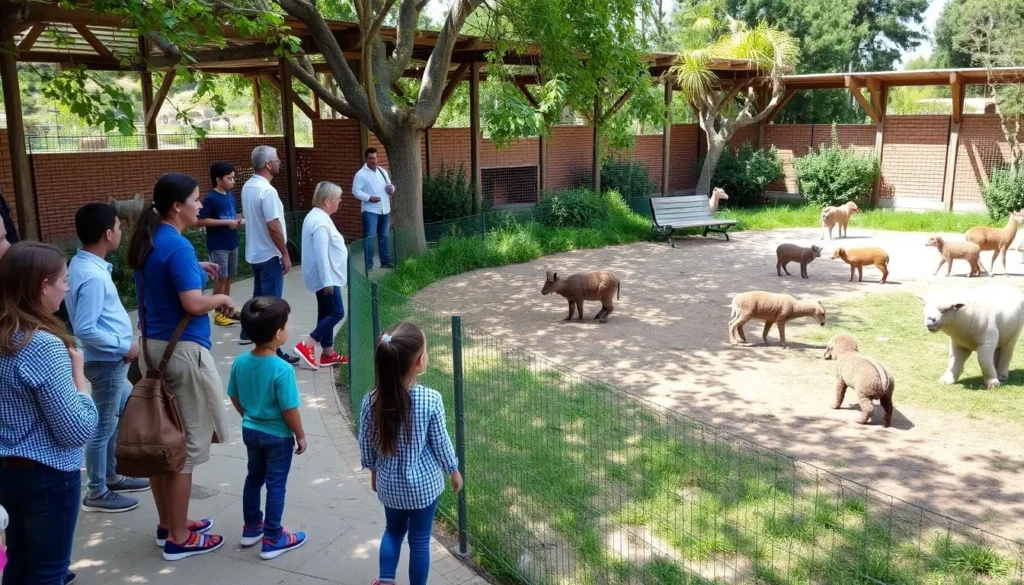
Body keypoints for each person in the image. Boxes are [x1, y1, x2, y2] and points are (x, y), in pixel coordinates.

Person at [126, 172, 233, 561]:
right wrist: (219, 300)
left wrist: (195, 268)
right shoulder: (178, 245)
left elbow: (164, 288)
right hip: (182, 352)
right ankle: (179, 539)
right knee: (183, 448)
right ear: (177, 206)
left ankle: (168, 523)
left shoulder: (153, 240)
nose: (200, 205)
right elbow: (191, 303)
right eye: (196, 199)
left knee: (161, 441)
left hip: (152, 349)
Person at [0, 241, 99, 585]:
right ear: (43, 286)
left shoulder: (5, 335)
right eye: (64, 280)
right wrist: (80, 379)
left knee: (18, 562)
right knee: (48, 572)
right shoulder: (41, 345)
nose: (67, 288)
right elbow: (76, 430)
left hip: (7, 471)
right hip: (48, 475)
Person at [358, 321, 463, 585]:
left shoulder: (371, 401)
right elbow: (441, 442)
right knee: (419, 542)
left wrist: (372, 470)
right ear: (419, 362)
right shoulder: (430, 399)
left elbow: (366, 441)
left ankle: (385, 581)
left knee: (392, 531)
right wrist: (453, 469)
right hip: (423, 488)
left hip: (389, 484)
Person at [66, 203, 150, 514]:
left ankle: (112, 476)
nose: (121, 230)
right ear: (107, 233)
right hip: (108, 362)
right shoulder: (92, 275)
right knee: (101, 426)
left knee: (120, 413)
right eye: (118, 225)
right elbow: (85, 327)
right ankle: (97, 491)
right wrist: (122, 346)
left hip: (110, 361)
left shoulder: (85, 265)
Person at [227, 297, 308, 560]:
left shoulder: (240, 362)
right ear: (278, 333)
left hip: (251, 431)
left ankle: (252, 527)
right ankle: (273, 537)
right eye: (286, 325)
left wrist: (248, 416)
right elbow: (289, 408)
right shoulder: (282, 369)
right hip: (278, 437)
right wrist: (300, 434)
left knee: (254, 478)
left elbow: (234, 396)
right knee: (276, 485)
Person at [240, 145, 300, 365]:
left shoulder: (248, 186)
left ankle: (248, 332)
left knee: (257, 301)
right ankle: (274, 352)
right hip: (269, 255)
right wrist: (284, 253)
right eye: (277, 159)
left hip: (255, 253)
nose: (279, 162)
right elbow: (273, 226)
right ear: (267, 164)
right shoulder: (268, 191)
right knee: (273, 308)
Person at [294, 181, 349, 370]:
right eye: (337, 199)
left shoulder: (318, 216)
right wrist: (328, 281)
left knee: (326, 311)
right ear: (327, 201)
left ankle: (328, 353)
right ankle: (308, 344)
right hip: (327, 277)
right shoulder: (319, 221)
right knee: (337, 312)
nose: (339, 202)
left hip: (326, 276)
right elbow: (321, 253)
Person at [197, 162, 244, 327]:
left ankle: (227, 308)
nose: (233, 181)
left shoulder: (229, 195)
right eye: (229, 178)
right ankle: (218, 313)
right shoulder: (211, 198)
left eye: (233, 178)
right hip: (219, 245)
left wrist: (238, 220)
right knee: (221, 278)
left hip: (232, 242)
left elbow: (233, 215)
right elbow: (200, 220)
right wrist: (226, 223)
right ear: (218, 180)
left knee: (229, 277)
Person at [353, 147, 396, 271]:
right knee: (370, 237)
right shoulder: (361, 174)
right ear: (366, 159)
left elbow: (390, 185)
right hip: (370, 210)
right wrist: (368, 198)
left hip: (385, 209)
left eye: (375, 158)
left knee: (384, 236)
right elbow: (355, 191)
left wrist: (391, 189)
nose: (373, 160)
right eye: (371, 158)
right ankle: (369, 264)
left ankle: (385, 261)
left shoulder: (382, 171)